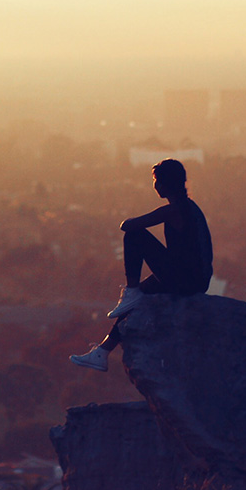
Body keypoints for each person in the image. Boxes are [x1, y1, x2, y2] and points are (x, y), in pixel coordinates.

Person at [70, 158, 213, 372]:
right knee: (135, 303)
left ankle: (132, 289)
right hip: (193, 278)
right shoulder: (189, 208)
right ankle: (103, 351)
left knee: (134, 235)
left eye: (156, 180)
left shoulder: (175, 210)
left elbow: (127, 225)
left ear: (164, 184)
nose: (155, 185)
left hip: (185, 279)